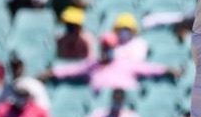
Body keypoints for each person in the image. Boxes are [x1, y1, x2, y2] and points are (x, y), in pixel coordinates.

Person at [42, 33, 178, 93]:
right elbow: (70, 70)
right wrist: (50, 73)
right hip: (101, 108)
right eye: (105, 47)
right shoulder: (92, 65)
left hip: (123, 104)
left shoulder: (126, 62)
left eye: (110, 47)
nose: (107, 50)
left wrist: (168, 70)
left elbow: (149, 68)